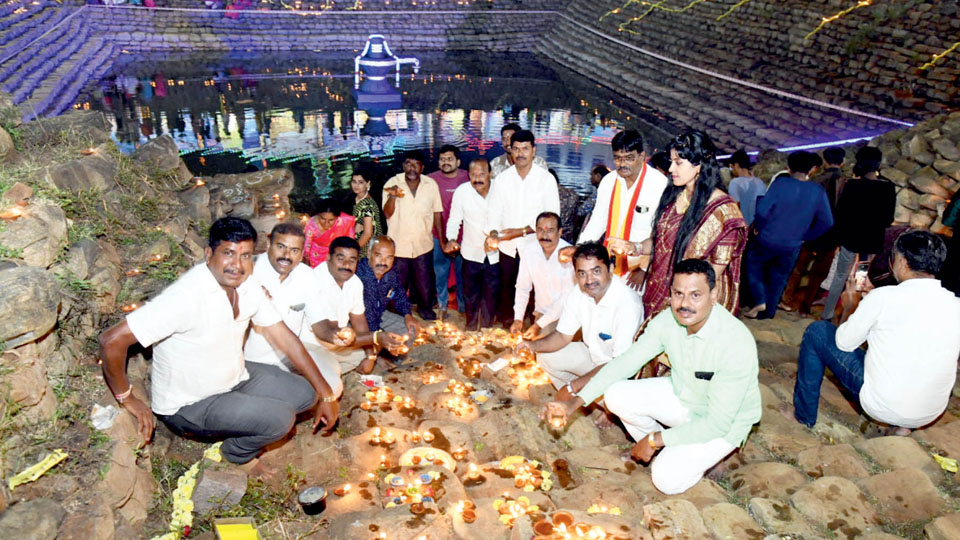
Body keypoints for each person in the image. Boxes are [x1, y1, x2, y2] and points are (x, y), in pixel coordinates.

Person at [99, 217, 339, 472]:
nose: (237, 264)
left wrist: (327, 394)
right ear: (209, 253)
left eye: (245, 255)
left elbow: (285, 338)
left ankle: (244, 417)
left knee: (306, 393)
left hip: (235, 377)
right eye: (228, 253)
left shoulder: (247, 285)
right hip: (190, 403)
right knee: (280, 420)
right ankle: (235, 454)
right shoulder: (187, 297)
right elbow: (112, 340)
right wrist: (126, 397)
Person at [542, 259, 761, 495]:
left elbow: (718, 422)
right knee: (616, 394)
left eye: (695, 295)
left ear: (714, 294)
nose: (684, 304)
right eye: (678, 293)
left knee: (665, 480)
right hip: (684, 396)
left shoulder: (735, 342)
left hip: (723, 424)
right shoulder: (668, 320)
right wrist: (574, 402)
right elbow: (625, 363)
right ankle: (669, 447)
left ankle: (692, 453)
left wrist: (655, 438)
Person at [784, 230, 960, 433]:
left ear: (902, 262)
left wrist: (851, 308)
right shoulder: (955, 304)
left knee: (818, 331)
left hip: (883, 406)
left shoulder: (884, 298)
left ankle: (803, 417)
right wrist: (873, 298)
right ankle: (904, 426)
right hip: (930, 410)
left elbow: (844, 343)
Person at [615, 130, 747, 319]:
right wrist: (634, 247)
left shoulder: (723, 213)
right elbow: (660, 243)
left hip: (690, 306)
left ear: (699, 164)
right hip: (657, 292)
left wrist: (678, 301)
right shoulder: (675, 196)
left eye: (678, 163)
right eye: (671, 162)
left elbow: (712, 274)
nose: (670, 169)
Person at [517, 242, 643, 389]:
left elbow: (620, 364)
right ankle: (582, 398)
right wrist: (533, 345)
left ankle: (585, 398)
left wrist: (573, 387)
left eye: (596, 271)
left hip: (618, 373)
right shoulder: (579, 292)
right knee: (545, 356)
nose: (589, 280)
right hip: (593, 357)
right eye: (582, 273)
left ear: (610, 269)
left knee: (611, 395)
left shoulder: (627, 304)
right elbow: (562, 336)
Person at [243, 223, 347, 398]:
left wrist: (336, 334)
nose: (286, 256)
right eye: (281, 247)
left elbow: (319, 323)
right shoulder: (248, 272)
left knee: (333, 386)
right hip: (253, 361)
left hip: (289, 356)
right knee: (291, 396)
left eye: (294, 250)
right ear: (269, 244)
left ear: (302, 253)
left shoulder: (306, 275)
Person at [742, 151, 833, 319]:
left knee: (753, 267)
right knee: (780, 277)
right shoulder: (818, 191)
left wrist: (759, 228)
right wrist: (807, 235)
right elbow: (827, 222)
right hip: (793, 244)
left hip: (767, 238)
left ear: (788, 168)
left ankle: (760, 299)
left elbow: (762, 211)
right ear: (812, 169)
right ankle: (768, 313)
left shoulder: (781, 183)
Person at [487, 129, 560, 326]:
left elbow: (553, 218)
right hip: (508, 248)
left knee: (537, 291)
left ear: (533, 150)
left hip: (536, 246)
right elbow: (494, 214)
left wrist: (521, 232)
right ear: (510, 151)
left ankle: (535, 330)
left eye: (525, 149)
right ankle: (507, 329)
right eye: (516, 149)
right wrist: (493, 235)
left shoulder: (546, 179)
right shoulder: (502, 179)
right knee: (507, 289)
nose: (520, 154)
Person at [578, 130, 669, 290]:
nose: (622, 164)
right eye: (618, 158)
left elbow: (662, 233)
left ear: (641, 157)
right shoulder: (609, 181)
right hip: (610, 264)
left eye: (628, 158)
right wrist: (579, 251)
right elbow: (598, 221)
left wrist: (644, 269)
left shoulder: (658, 184)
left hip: (640, 269)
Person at [820, 147, 896, 321]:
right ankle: (854, 315)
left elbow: (842, 214)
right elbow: (888, 219)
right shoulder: (888, 187)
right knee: (861, 277)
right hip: (871, 241)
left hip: (851, 239)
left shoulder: (853, 185)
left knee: (840, 276)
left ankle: (828, 313)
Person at [311, 236, 403, 375]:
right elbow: (332, 333)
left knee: (372, 351)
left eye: (352, 260)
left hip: (340, 345)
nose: (346, 265)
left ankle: (333, 370)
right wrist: (377, 337)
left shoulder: (354, 282)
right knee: (332, 379)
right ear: (328, 257)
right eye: (341, 258)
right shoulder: (316, 281)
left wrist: (371, 356)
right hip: (315, 345)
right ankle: (323, 372)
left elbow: (359, 321)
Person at [781, 147, 846, 315]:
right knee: (818, 275)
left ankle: (786, 299)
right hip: (833, 235)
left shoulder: (815, 182)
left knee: (797, 268)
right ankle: (805, 307)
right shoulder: (848, 183)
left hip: (811, 232)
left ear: (824, 162)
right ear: (843, 162)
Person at [382, 150, 443, 320]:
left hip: (423, 242)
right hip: (399, 243)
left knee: (424, 281)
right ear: (403, 166)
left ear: (422, 167)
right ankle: (399, 311)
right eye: (408, 163)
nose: (412, 168)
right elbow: (387, 214)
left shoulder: (430, 184)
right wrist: (393, 197)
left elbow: (437, 213)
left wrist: (443, 240)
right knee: (398, 282)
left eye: (416, 164)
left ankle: (425, 308)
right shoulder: (392, 183)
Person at [445, 159, 501, 330]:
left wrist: (495, 236)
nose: (477, 178)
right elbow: (454, 219)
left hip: (496, 253)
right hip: (470, 252)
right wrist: (451, 239)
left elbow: (506, 218)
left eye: (482, 174)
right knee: (470, 293)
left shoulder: (501, 190)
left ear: (490, 173)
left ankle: (485, 327)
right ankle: (470, 326)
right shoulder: (462, 191)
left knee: (491, 293)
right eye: (473, 174)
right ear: (468, 175)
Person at [510, 212, 575, 340]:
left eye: (550, 230)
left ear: (560, 232)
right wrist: (518, 318)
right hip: (542, 313)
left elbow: (566, 298)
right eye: (540, 230)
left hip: (568, 314)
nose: (544, 235)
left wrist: (538, 325)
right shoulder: (530, 250)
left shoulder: (570, 255)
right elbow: (522, 287)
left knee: (544, 350)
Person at [428, 145, 469, 316]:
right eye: (442, 159)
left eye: (450, 159)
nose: (446, 162)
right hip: (438, 236)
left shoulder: (467, 177)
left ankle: (462, 308)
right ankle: (442, 306)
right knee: (440, 273)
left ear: (458, 161)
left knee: (463, 275)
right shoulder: (430, 180)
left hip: (464, 238)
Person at [303, 198, 356, 267]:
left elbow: (350, 241)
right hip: (315, 256)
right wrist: (307, 267)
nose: (326, 223)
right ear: (318, 215)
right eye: (323, 219)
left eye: (331, 220)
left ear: (337, 217)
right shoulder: (311, 224)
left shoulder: (344, 221)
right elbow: (306, 248)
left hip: (336, 254)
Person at [725, 150, 766, 227]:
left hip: (743, 226)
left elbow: (736, 206)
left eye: (731, 167)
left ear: (736, 165)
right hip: (758, 227)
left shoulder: (735, 183)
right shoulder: (759, 182)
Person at [351, 165, 384, 258]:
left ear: (368, 183)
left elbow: (368, 233)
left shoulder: (367, 205)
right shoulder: (357, 199)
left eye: (360, 182)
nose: (356, 185)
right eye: (354, 182)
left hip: (367, 251)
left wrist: (354, 251)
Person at [549, 168, 580, 244]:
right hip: (568, 237)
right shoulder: (573, 193)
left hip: (549, 237)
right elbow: (578, 214)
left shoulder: (545, 194)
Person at [578, 164, 610, 229]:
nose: (590, 178)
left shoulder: (599, 192)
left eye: (592, 175)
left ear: (598, 176)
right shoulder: (612, 190)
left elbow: (582, 211)